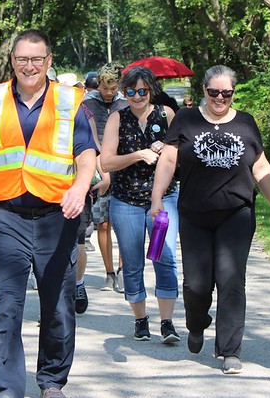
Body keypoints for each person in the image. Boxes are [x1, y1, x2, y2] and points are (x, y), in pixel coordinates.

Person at [0, 29, 97, 398]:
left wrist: (80, 187)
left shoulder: (70, 101)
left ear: (49, 61)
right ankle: (6, 390)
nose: (29, 66)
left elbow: (86, 153)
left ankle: (52, 382)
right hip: (6, 217)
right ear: (12, 61)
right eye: (21, 59)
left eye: (36, 59)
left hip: (56, 219)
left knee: (59, 307)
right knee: (6, 307)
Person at [150, 65, 270, 375]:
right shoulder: (186, 119)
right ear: (204, 90)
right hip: (194, 213)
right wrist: (157, 198)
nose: (220, 98)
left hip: (236, 212)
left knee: (231, 280)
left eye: (226, 93)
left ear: (233, 92)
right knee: (196, 285)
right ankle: (196, 323)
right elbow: (168, 159)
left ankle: (230, 350)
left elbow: (260, 166)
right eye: (214, 92)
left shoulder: (245, 122)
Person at [100, 66, 180, 343]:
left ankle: (167, 323)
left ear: (151, 90)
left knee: (164, 257)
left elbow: (180, 153)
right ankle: (140, 320)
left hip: (163, 200)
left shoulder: (166, 114)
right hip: (127, 202)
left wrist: (165, 149)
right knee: (132, 262)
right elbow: (106, 162)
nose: (137, 96)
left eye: (143, 91)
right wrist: (138, 155)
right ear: (124, 92)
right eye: (131, 91)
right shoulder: (117, 118)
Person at [82, 61, 128, 292]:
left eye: (113, 88)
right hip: (99, 167)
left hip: (124, 167)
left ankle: (123, 270)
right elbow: (90, 140)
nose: (108, 92)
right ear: (97, 84)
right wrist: (103, 170)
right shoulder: (87, 104)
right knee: (103, 223)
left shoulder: (125, 103)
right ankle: (109, 272)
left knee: (124, 224)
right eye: (104, 88)